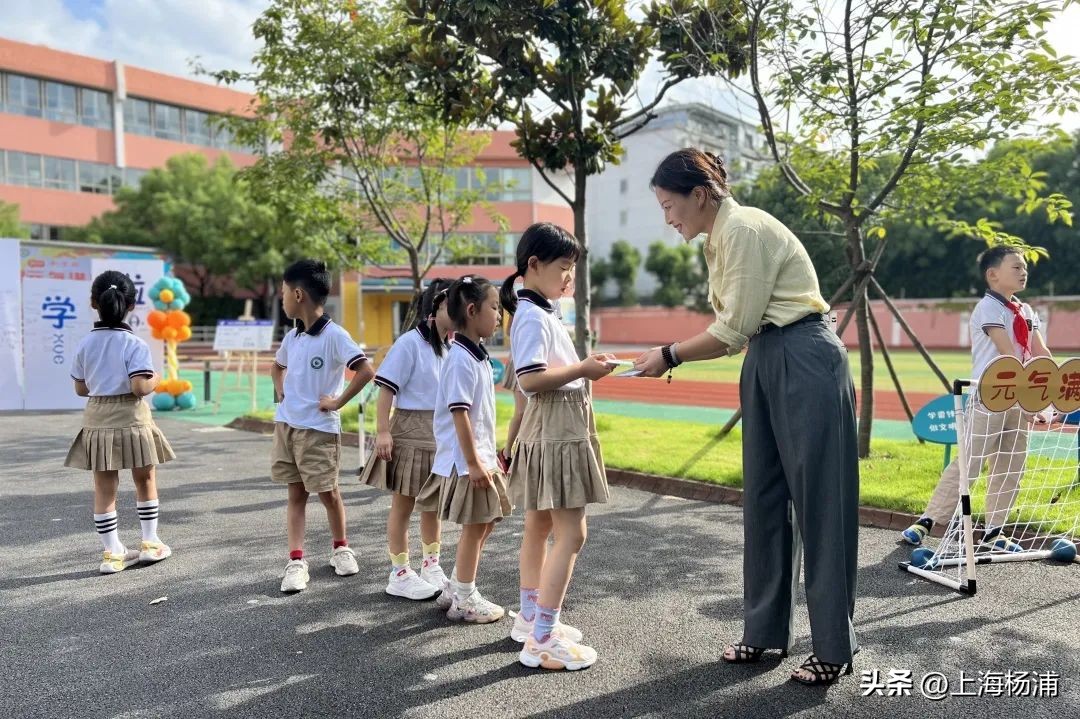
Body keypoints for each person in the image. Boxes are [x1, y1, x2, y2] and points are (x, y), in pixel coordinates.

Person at [634, 148, 859, 686]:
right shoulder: (718, 238)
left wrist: (667, 354)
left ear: (700, 194)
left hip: (802, 355)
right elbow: (741, 332)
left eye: (670, 206)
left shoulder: (744, 230)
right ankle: (764, 632)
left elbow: (731, 328)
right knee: (763, 500)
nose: (669, 219)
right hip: (766, 357)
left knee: (820, 502)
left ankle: (834, 645)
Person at [500, 222, 615, 671]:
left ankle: (532, 620)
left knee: (539, 526)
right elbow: (529, 379)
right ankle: (543, 636)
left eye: (572, 269)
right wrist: (583, 369)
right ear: (534, 265)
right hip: (555, 431)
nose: (569, 277)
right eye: (564, 267)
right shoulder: (533, 315)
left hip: (548, 429)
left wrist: (584, 367)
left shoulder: (537, 311)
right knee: (571, 532)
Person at [901, 245, 1052, 551]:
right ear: (993, 274)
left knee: (1011, 465)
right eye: (1016, 267)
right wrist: (1028, 397)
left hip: (1019, 397)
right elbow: (1007, 353)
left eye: (1025, 268)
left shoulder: (1026, 310)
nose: (1024, 272)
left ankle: (995, 531)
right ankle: (928, 521)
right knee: (971, 460)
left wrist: (1047, 391)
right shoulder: (988, 308)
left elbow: (1041, 354)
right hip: (991, 394)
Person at [270, 259, 374, 593]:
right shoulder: (293, 336)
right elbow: (277, 368)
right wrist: (282, 392)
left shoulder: (334, 336)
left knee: (328, 493)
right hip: (287, 426)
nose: (281, 297)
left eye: (283, 292)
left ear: (298, 293)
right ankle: (297, 561)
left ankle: (341, 547)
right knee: (295, 493)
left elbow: (365, 370)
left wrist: (338, 402)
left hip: (319, 428)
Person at [65, 270, 175, 574]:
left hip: (98, 417)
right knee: (145, 478)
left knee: (104, 486)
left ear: (93, 302)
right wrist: (157, 379)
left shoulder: (85, 344)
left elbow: (81, 388)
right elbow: (140, 387)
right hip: (132, 416)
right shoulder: (134, 344)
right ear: (131, 305)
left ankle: (113, 553)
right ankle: (151, 543)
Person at [362, 279, 454, 600]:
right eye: (450, 304)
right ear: (434, 308)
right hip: (409, 430)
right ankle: (399, 572)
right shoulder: (409, 343)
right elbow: (387, 388)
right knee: (404, 503)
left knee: (432, 503)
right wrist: (383, 430)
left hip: (438, 434)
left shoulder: (449, 346)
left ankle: (431, 564)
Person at [432, 275, 513, 623]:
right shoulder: (461, 359)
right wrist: (474, 463)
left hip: (480, 455)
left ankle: (456, 585)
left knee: (488, 518)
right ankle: (464, 595)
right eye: (494, 308)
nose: (500, 315)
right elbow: (460, 413)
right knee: (476, 524)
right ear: (471, 310)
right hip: (469, 461)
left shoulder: (475, 356)